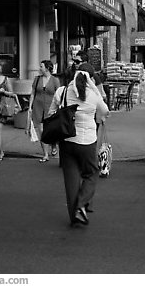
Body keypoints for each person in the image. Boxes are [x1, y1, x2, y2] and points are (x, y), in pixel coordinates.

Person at [49, 62, 109, 226]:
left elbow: (51, 113)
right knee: (91, 173)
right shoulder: (93, 95)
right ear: (90, 78)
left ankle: (74, 214)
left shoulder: (63, 91)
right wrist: (95, 89)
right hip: (87, 141)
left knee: (71, 179)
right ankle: (81, 205)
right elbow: (105, 111)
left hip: (67, 140)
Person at [29, 60, 61, 163]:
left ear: (47, 68)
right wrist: (30, 106)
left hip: (50, 107)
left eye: (41, 66)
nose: (39, 68)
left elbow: (58, 94)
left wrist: (59, 107)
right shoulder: (37, 79)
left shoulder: (55, 80)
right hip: (38, 107)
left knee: (50, 130)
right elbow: (33, 93)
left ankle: (53, 144)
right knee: (41, 130)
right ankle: (45, 154)